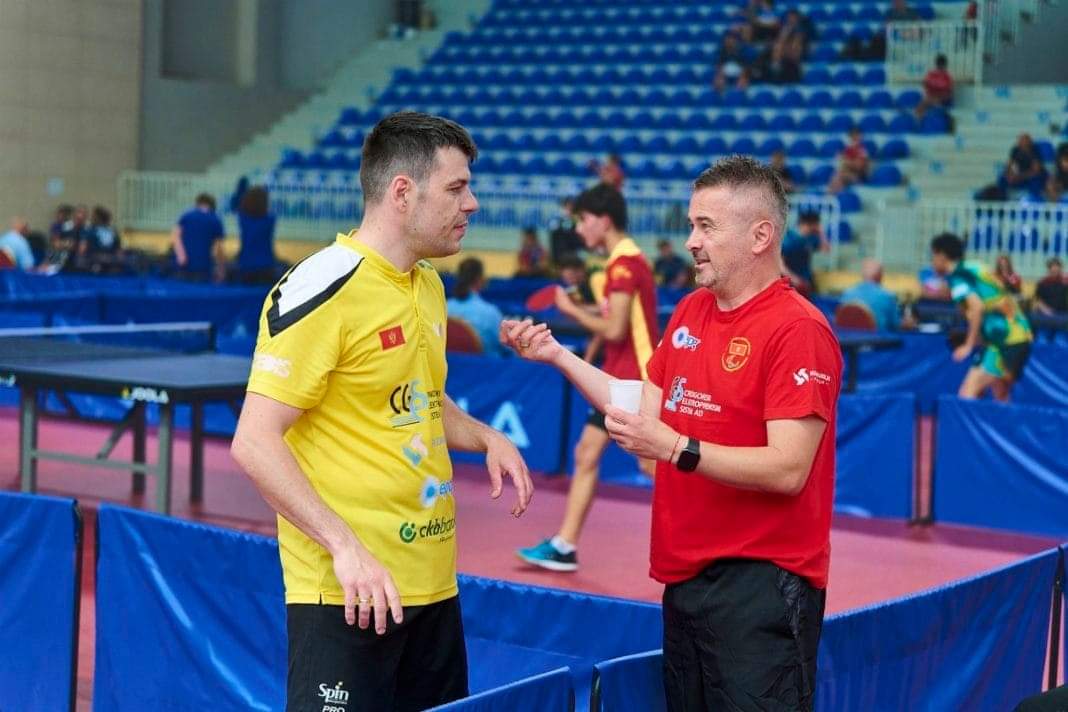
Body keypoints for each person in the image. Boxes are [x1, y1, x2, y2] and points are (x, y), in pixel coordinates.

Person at [502, 156, 840, 710]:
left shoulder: (798, 329)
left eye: (706, 226)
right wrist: (557, 355)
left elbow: (788, 467)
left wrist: (675, 448)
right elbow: (643, 404)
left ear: (760, 236)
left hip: (761, 585)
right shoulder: (690, 311)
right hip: (684, 577)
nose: (691, 242)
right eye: (691, 225)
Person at [231, 111, 533, 712]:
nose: (471, 203)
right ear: (402, 192)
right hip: (346, 593)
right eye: (456, 188)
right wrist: (345, 548)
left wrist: (484, 437)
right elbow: (255, 442)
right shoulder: (323, 288)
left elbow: (423, 400)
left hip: (432, 587)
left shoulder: (429, 285)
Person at [516, 182, 658, 573]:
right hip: (618, 376)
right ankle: (565, 546)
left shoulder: (625, 265)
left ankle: (709, 542)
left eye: (584, 219)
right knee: (587, 453)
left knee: (653, 466)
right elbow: (614, 323)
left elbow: (614, 328)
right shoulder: (620, 263)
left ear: (604, 220)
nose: (579, 229)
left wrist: (570, 310)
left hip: (636, 379)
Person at [930, 233, 1033, 401]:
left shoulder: (958, 277)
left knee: (968, 393)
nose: (932, 262)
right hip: (1016, 335)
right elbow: (990, 303)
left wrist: (969, 344)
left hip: (1007, 339)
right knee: (1000, 395)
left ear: (941, 255)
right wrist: (979, 338)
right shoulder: (974, 266)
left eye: (933, 256)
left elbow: (977, 308)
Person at [447, 257, 506, 357]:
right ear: (480, 279)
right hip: (486, 366)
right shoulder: (490, 313)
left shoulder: (443, 307)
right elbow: (506, 350)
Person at [172, 193, 226, 282]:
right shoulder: (216, 220)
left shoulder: (186, 217)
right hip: (203, 267)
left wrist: (181, 256)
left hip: (182, 266)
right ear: (213, 206)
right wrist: (221, 270)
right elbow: (219, 249)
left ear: (197, 203)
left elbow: (175, 237)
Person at [840, 259, 902, 330]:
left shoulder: (847, 293)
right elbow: (896, 325)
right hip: (878, 337)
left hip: (847, 337)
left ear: (863, 275)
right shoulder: (888, 297)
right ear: (880, 276)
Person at [235, 185, 278, 285]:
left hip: (246, 264)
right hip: (266, 264)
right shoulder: (270, 220)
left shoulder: (242, 219)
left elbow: (239, 203)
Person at [780, 210, 829, 296]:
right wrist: (794, 279)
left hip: (806, 280)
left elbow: (825, 249)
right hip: (791, 282)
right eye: (815, 226)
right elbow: (780, 265)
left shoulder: (810, 238)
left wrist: (821, 232)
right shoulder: (788, 240)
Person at [827, 127, 870, 194]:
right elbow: (843, 164)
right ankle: (831, 194)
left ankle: (832, 195)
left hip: (859, 177)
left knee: (839, 175)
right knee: (836, 175)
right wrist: (843, 161)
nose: (854, 139)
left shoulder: (862, 150)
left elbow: (859, 166)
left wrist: (845, 161)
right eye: (852, 136)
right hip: (848, 174)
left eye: (856, 136)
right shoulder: (848, 149)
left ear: (860, 137)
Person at [916, 54, 954, 120]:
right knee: (923, 104)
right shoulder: (931, 74)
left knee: (928, 102)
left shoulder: (947, 76)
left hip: (943, 98)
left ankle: (940, 114)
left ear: (945, 65)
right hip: (931, 97)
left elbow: (949, 91)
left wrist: (938, 92)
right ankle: (920, 119)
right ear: (937, 65)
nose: (941, 66)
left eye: (942, 64)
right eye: (939, 64)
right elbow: (926, 85)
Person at [548, 197, 583, 265]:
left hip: (574, 257)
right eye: (567, 207)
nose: (569, 210)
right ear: (563, 207)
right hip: (560, 257)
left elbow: (578, 241)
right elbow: (554, 240)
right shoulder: (556, 222)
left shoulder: (576, 222)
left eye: (571, 208)